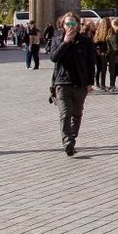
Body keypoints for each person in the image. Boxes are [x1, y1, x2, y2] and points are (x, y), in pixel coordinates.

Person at [50, 11, 95, 157]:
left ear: (78, 24)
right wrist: (65, 42)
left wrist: (90, 82)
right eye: (67, 23)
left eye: (73, 23)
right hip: (62, 82)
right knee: (65, 114)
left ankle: (72, 139)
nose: (71, 26)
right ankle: (67, 142)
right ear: (62, 25)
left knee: (77, 114)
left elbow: (90, 63)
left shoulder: (85, 41)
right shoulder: (57, 39)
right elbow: (54, 58)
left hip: (80, 83)